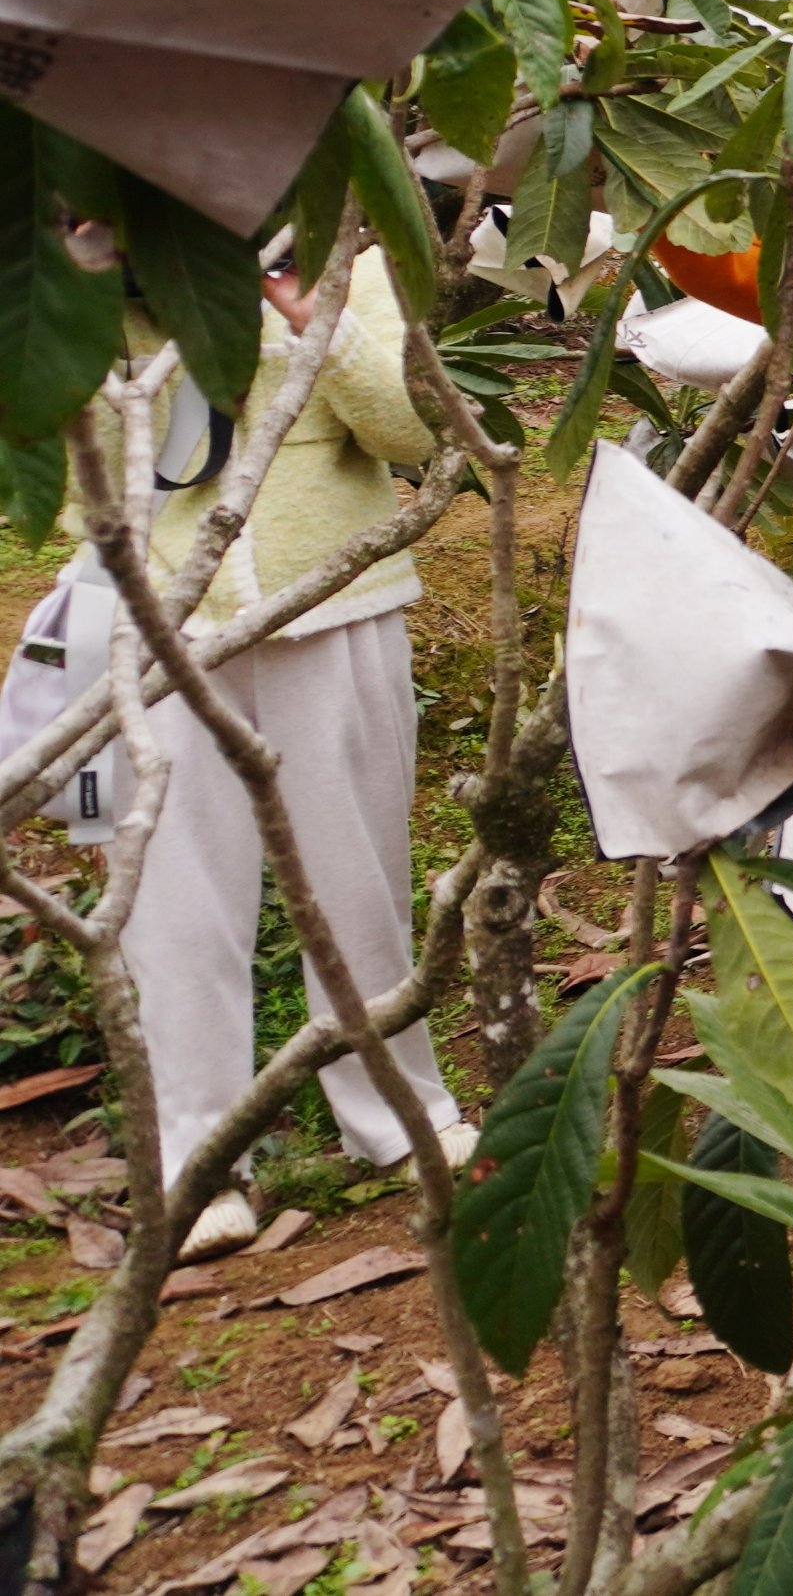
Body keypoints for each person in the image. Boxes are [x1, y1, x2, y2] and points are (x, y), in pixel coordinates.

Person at [73, 251, 471, 1255]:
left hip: (336, 606)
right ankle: (201, 1161)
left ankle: (398, 1113)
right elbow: (69, 482)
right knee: (172, 900)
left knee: (358, 882)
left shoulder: (349, 259)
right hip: (159, 623)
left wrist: (301, 308)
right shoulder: (76, 278)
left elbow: (412, 428)